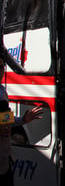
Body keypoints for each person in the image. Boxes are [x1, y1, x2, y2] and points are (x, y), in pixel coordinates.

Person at [0, 57, 43, 186]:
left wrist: (23, 120)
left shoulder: (2, 91)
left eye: (2, 66)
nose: (0, 70)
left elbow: (5, 121)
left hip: (4, 156)